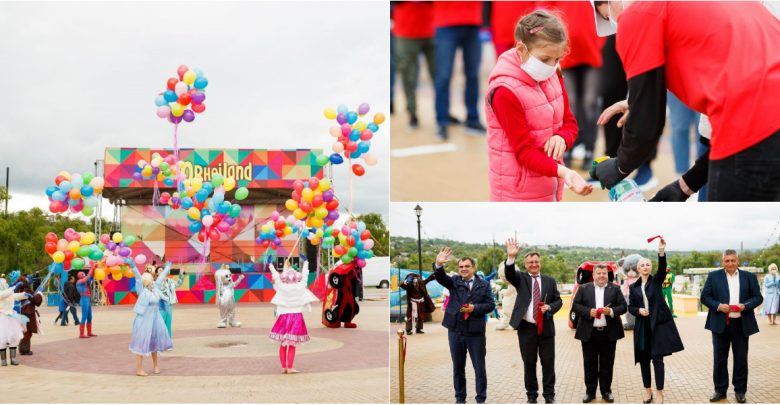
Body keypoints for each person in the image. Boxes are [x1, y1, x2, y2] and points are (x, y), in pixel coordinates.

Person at [589, 1, 780, 201]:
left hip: (753, 133)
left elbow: (647, 124)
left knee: (729, 229)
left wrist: (620, 165)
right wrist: (684, 187)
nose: (616, 24)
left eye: (605, 16)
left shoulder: (638, 13)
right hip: (760, 129)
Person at [485, 9, 593, 201]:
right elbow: (524, 152)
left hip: (549, 184)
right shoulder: (504, 91)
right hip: (516, 194)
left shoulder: (553, 72)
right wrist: (565, 172)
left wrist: (562, 137)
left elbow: (569, 121)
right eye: (545, 59)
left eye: (557, 59)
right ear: (521, 50)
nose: (551, 65)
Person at [433, 247, 496, 404]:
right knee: (458, 368)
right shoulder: (454, 282)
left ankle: (480, 399)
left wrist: (475, 308)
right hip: (456, 331)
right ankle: (460, 399)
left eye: (467, 266)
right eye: (461, 266)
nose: (464, 269)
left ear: (473, 268)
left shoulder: (484, 285)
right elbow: (440, 278)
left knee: (479, 369)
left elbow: (490, 305)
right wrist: (438, 265)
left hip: (475, 333)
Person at [503, 239, 562, 404]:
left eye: (536, 261)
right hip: (526, 329)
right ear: (525, 264)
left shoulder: (550, 281)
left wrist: (550, 307)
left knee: (548, 364)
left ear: (540, 263)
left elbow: (559, 301)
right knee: (529, 364)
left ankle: (549, 396)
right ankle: (531, 396)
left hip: (547, 329)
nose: (534, 264)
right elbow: (509, 274)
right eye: (530, 262)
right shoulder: (520, 278)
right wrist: (510, 257)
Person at [700, 249, 763, 403]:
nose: (730, 263)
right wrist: (718, 306)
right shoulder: (714, 276)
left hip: (741, 324)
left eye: (733, 260)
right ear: (723, 262)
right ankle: (720, 390)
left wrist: (746, 305)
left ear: (738, 261)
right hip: (720, 324)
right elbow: (705, 297)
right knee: (719, 359)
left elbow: (758, 297)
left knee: (741, 359)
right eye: (727, 261)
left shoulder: (749, 277)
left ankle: (740, 391)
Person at [627, 238, 684, 404]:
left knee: (658, 360)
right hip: (642, 326)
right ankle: (647, 391)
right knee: (644, 360)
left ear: (650, 268)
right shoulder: (633, 287)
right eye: (642, 265)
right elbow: (630, 307)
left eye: (647, 265)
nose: (645, 267)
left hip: (657, 325)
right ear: (638, 269)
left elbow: (662, 266)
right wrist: (638, 310)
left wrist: (661, 251)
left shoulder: (657, 281)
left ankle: (659, 393)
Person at [571, 263, 627, 403]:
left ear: (608, 275)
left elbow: (623, 307)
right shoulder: (584, 288)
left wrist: (612, 311)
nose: (602, 276)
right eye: (599, 273)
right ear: (594, 275)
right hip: (589, 333)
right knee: (589, 364)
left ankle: (606, 391)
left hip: (608, 333)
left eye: (604, 273)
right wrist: (588, 312)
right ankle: (590, 392)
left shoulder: (615, 288)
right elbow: (575, 306)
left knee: (607, 364)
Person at [433, 1, 486, 139]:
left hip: (473, 22)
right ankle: (442, 120)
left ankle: (472, 119)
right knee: (444, 75)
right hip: (446, 23)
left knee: (473, 74)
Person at [268, 260, 319, 374]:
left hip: (283, 317)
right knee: (292, 344)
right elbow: (305, 276)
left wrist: (271, 265)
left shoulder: (282, 287)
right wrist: (306, 263)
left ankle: (283, 367)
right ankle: (290, 367)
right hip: (296, 317)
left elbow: (276, 277)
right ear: (297, 278)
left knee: (283, 343)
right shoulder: (300, 286)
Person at [393, 1, 435, 129]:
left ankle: (443, 113)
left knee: (440, 75)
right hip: (405, 30)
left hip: (433, 27)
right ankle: (412, 113)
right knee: (408, 76)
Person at [128, 260, 173, 376]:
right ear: (146, 281)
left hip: (155, 319)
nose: (153, 281)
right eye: (151, 280)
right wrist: (133, 266)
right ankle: (139, 369)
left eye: (153, 280)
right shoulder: (142, 291)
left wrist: (167, 268)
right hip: (144, 320)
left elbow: (160, 277)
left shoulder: (155, 289)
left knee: (155, 343)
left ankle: (156, 366)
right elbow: (138, 277)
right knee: (141, 344)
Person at [0, 278, 30, 366]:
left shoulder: (9, 292)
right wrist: (13, 287)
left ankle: (13, 359)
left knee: (14, 338)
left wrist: (25, 294)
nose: (5, 284)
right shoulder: (2, 293)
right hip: (2, 317)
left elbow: (15, 296)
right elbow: (4, 294)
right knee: (2, 340)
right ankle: (3, 360)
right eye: (4, 283)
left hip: (12, 317)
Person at [155, 265, 184, 337]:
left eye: (163, 270)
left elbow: (179, 283)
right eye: (160, 270)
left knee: (168, 322)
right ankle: (159, 339)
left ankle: (168, 339)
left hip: (169, 305)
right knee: (160, 322)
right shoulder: (156, 283)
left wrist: (181, 274)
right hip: (160, 305)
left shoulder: (170, 281)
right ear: (157, 273)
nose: (162, 271)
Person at [17, 275, 43, 355]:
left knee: (25, 331)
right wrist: (40, 293)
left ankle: (24, 348)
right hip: (28, 313)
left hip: (22, 312)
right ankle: (24, 350)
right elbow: (36, 300)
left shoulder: (19, 290)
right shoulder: (27, 290)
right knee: (27, 332)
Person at [76, 267, 97, 338]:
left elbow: (91, 277)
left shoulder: (85, 281)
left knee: (89, 316)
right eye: (82, 274)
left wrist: (93, 270)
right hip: (84, 299)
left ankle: (89, 332)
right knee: (84, 316)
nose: (84, 275)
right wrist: (91, 270)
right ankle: (81, 334)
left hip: (88, 299)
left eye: (83, 274)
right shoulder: (79, 282)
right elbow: (87, 278)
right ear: (79, 276)